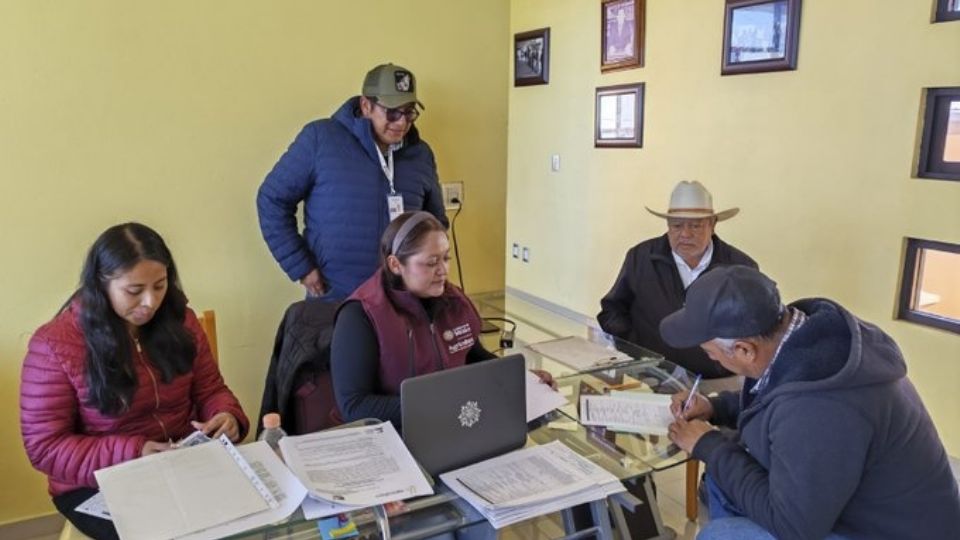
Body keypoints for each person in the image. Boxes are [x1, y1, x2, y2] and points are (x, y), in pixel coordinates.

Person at [661, 265, 960, 540]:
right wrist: (716, 407)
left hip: (895, 532)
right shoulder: (808, 342)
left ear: (744, 350)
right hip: (872, 510)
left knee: (720, 535)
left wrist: (709, 444)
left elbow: (794, 528)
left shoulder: (820, 409)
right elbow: (777, 397)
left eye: (710, 352)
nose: (711, 359)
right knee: (722, 476)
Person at [20, 223, 249, 540]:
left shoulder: (181, 320)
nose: (150, 302)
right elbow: (45, 447)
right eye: (134, 290)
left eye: (160, 285)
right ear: (101, 284)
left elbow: (210, 389)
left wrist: (227, 416)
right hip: (95, 482)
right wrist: (134, 453)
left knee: (244, 517)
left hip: (181, 461)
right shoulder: (54, 344)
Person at [331, 211, 553, 430]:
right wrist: (442, 404)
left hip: (451, 424)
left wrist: (520, 380)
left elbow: (473, 355)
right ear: (396, 265)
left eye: (446, 258)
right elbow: (354, 406)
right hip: (393, 433)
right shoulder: (360, 315)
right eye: (431, 263)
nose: (443, 270)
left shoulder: (452, 301)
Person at [257, 62, 448, 301]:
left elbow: (435, 223)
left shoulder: (420, 154)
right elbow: (272, 199)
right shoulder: (321, 139)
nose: (401, 122)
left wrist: (429, 272)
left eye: (409, 112)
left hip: (403, 300)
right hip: (336, 298)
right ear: (366, 105)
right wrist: (301, 266)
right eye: (392, 112)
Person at [598, 180, 758, 378]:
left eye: (695, 226)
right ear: (668, 225)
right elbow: (612, 310)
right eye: (677, 225)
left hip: (718, 381)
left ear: (713, 224)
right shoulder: (641, 257)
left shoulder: (740, 268)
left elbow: (755, 328)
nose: (685, 234)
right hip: (651, 376)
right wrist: (637, 350)